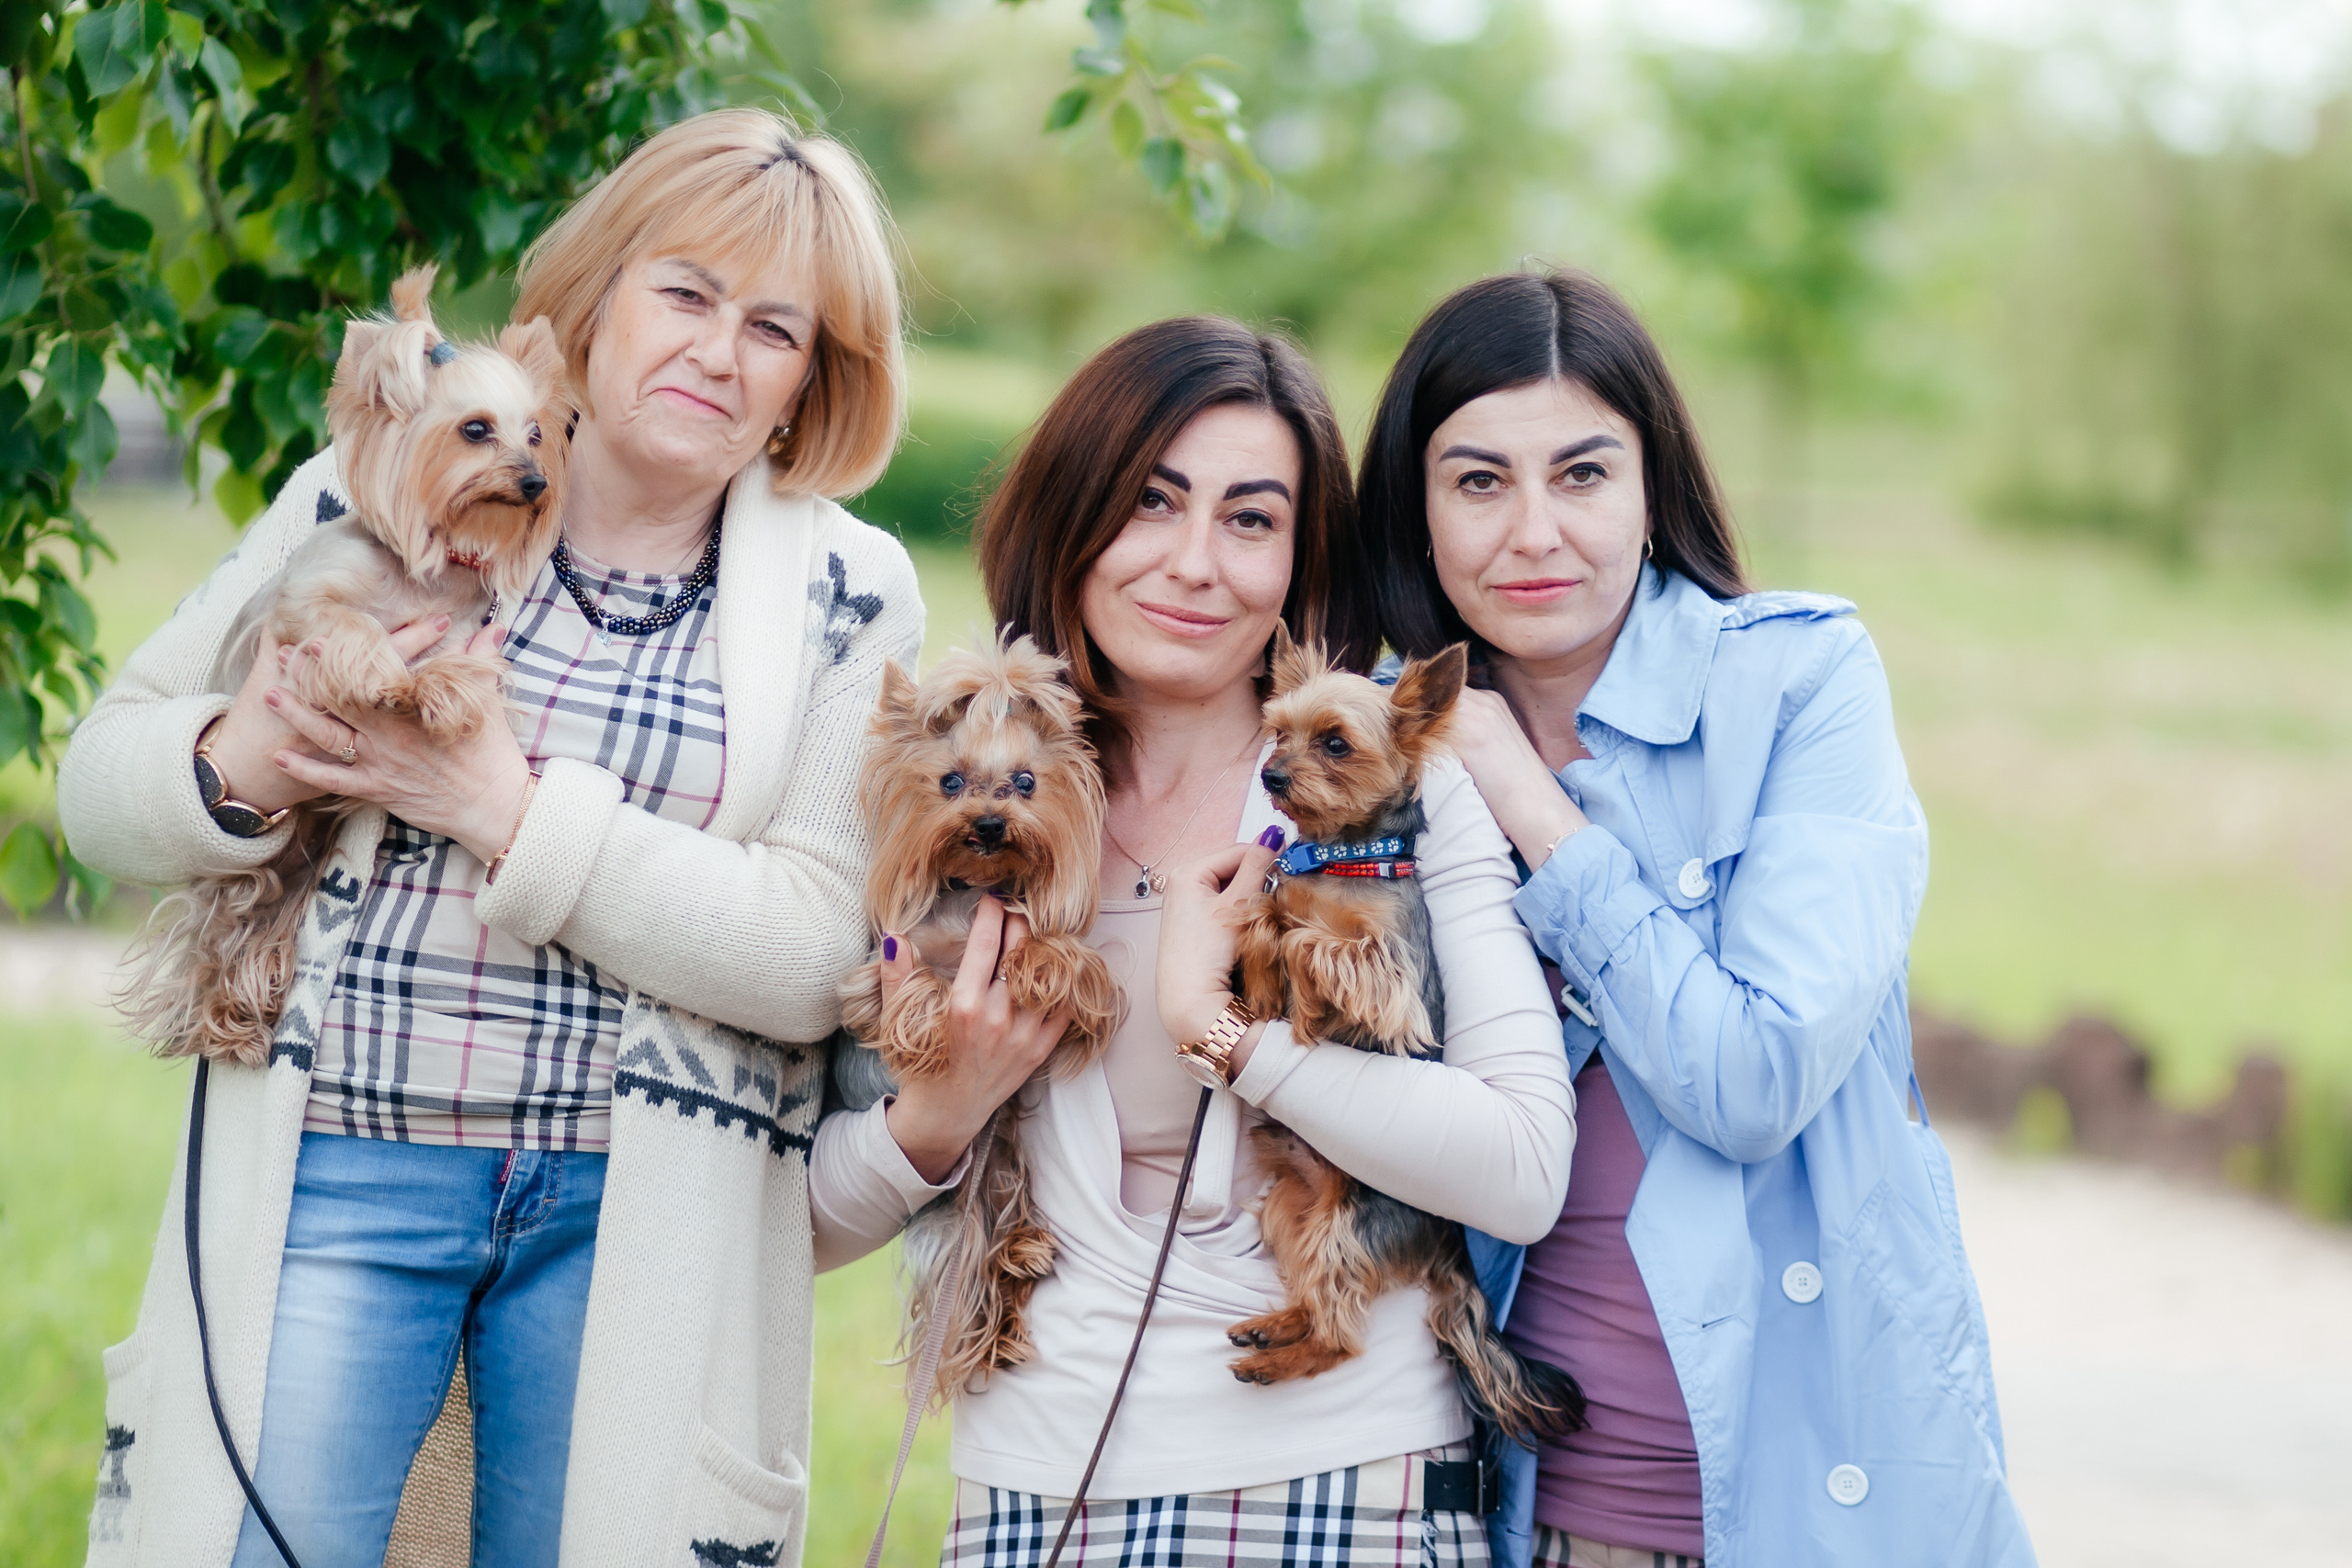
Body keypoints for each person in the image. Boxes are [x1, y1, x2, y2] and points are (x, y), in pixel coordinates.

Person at [60, 108, 918, 1568]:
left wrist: (501, 809)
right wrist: (249, 750)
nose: (719, 352)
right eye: (688, 294)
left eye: (775, 328)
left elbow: (813, 952)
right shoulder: (381, 480)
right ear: (601, 292)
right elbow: (99, 783)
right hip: (344, 1159)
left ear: (806, 383)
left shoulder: (853, 588)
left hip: (636, 1212)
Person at [810, 316, 1576, 1565]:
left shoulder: (1392, 787)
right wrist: (938, 1115)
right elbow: (802, 1225)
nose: (1195, 563)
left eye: (1252, 518)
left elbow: (1522, 1168)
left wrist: (1221, 1033)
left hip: (1352, 1489)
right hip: (1039, 1502)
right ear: (1074, 513)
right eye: (1152, 502)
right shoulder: (965, 795)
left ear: (1301, 553)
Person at [1356, 269, 2036, 1568]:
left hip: (1822, 1508)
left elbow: (1753, 1076)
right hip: (1506, 1509)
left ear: (1653, 483)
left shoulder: (1799, 682)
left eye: (1584, 473)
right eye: (1480, 480)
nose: (1534, 533)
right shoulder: (1372, 743)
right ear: (1419, 508)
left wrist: (1538, 815)